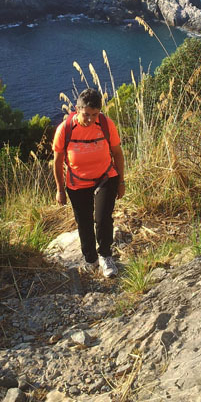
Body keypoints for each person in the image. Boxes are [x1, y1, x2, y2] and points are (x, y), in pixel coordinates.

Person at [53, 88, 125, 278]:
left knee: (102, 219)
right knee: (83, 222)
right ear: (77, 110)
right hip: (77, 182)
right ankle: (90, 259)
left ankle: (106, 256)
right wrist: (60, 189)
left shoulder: (106, 124)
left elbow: (117, 154)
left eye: (95, 114)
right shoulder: (65, 129)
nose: (91, 119)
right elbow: (58, 161)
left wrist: (121, 181)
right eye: (86, 115)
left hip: (105, 177)